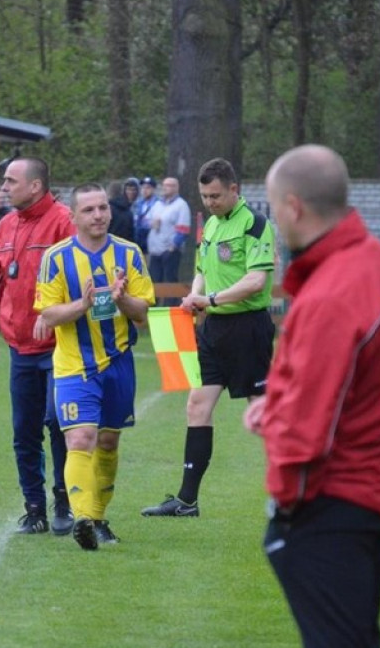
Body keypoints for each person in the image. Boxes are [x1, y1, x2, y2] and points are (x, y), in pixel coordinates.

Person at [243, 144, 380, 648]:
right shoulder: (378, 263)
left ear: (293, 207)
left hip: (331, 504)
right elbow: (348, 382)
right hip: (371, 492)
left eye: (274, 208)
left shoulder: (332, 295)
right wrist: (278, 403)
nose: (275, 222)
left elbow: (308, 432)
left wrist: (284, 514)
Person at [141, 158, 276, 518]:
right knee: (196, 406)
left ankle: (298, 491)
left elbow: (256, 281)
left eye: (215, 196)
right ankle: (187, 501)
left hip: (248, 328)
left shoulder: (256, 224)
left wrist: (211, 299)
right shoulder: (211, 224)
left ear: (234, 189)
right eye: (204, 196)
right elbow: (201, 269)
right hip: (213, 329)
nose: (210, 202)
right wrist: (194, 295)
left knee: (262, 413)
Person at [35, 183, 154, 550]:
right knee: (80, 438)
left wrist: (122, 299)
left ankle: (99, 518)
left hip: (118, 363)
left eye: (103, 207)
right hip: (74, 365)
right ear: (73, 216)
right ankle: (84, 519)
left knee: (107, 441)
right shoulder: (56, 258)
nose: (99, 215)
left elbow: (142, 314)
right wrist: (82, 305)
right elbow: (48, 314)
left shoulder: (129, 253)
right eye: (89, 210)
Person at [0, 156, 77, 535]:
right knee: (24, 432)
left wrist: (52, 313)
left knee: (58, 422)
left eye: (10, 181)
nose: (4, 187)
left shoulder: (64, 222)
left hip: (59, 346)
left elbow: (77, 276)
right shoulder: (5, 225)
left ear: (35, 186)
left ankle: (64, 502)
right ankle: (34, 508)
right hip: (20, 348)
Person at [147, 176, 191, 291]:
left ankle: (171, 302)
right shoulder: (157, 204)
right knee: (154, 282)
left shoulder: (181, 205)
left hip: (169, 251)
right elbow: (146, 221)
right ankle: (155, 303)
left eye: (169, 185)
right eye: (164, 185)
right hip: (155, 251)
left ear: (176, 188)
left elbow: (184, 230)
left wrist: (172, 248)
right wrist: (152, 223)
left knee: (169, 283)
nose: (165, 188)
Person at [134, 176, 159, 254]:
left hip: (151, 236)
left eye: (148, 188)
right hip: (138, 236)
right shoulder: (138, 203)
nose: (145, 190)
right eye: (143, 187)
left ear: (153, 189)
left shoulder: (158, 204)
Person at [107, 177, 137, 241]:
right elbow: (131, 233)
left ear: (109, 193)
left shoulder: (108, 209)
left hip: (110, 244)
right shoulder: (128, 210)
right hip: (125, 244)